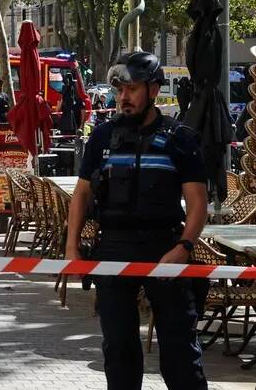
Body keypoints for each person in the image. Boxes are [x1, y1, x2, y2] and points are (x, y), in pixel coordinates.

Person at [64, 52, 208, 390]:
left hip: (165, 250)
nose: (123, 97)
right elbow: (81, 196)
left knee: (180, 353)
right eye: (119, 90)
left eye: (131, 89)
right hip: (113, 249)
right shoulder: (102, 137)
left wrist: (183, 248)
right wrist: (72, 249)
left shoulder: (180, 140)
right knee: (119, 351)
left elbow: (198, 202)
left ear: (154, 90)